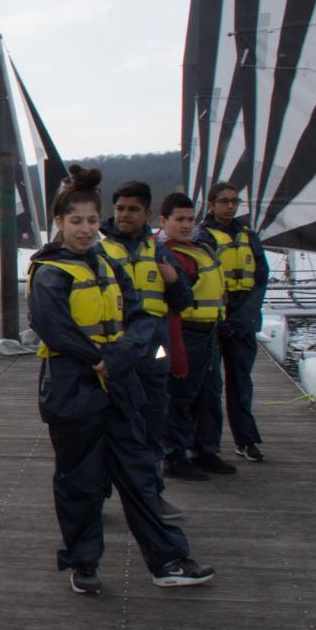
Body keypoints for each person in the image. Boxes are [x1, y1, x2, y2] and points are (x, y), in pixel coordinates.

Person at [27, 165, 215, 595]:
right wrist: (98, 358)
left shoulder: (109, 265)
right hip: (73, 389)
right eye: (76, 221)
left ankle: (167, 560)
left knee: (138, 473)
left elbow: (142, 317)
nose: (85, 229)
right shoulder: (50, 272)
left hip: (119, 383)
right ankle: (83, 562)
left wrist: (118, 356)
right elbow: (53, 328)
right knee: (80, 482)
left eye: (92, 221)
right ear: (60, 222)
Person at [98, 181, 192, 519]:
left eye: (133, 210)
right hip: (115, 348)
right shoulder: (99, 251)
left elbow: (183, 302)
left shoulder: (160, 252)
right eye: (120, 208)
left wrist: (174, 280)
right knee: (104, 425)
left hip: (153, 350)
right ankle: (97, 498)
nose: (125, 215)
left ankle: (152, 494)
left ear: (148, 214)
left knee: (152, 423)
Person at [195, 182, 270, 465]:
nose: (230, 206)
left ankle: (246, 440)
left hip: (243, 320)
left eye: (234, 201)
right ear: (211, 204)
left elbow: (261, 278)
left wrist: (245, 316)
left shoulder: (249, 236)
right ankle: (208, 445)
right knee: (210, 386)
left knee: (241, 382)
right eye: (224, 201)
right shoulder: (203, 236)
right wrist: (221, 317)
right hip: (215, 321)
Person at [156, 192, 227, 480]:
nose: (187, 225)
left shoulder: (199, 249)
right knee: (181, 395)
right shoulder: (166, 254)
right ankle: (174, 455)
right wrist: (175, 349)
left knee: (209, 393)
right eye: (180, 220)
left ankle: (205, 450)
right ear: (163, 221)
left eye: (190, 220)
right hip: (184, 331)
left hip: (208, 332)